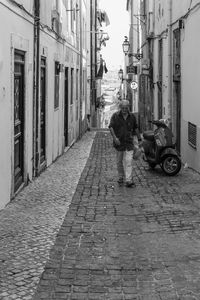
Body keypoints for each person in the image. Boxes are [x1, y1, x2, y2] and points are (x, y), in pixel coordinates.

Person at [109, 99, 141, 187]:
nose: (124, 110)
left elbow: (135, 128)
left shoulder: (132, 117)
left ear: (128, 108)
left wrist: (139, 139)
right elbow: (111, 127)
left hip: (129, 142)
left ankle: (128, 180)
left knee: (129, 161)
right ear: (120, 107)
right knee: (119, 161)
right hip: (119, 143)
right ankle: (120, 176)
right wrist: (115, 138)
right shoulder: (115, 116)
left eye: (126, 108)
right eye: (122, 108)